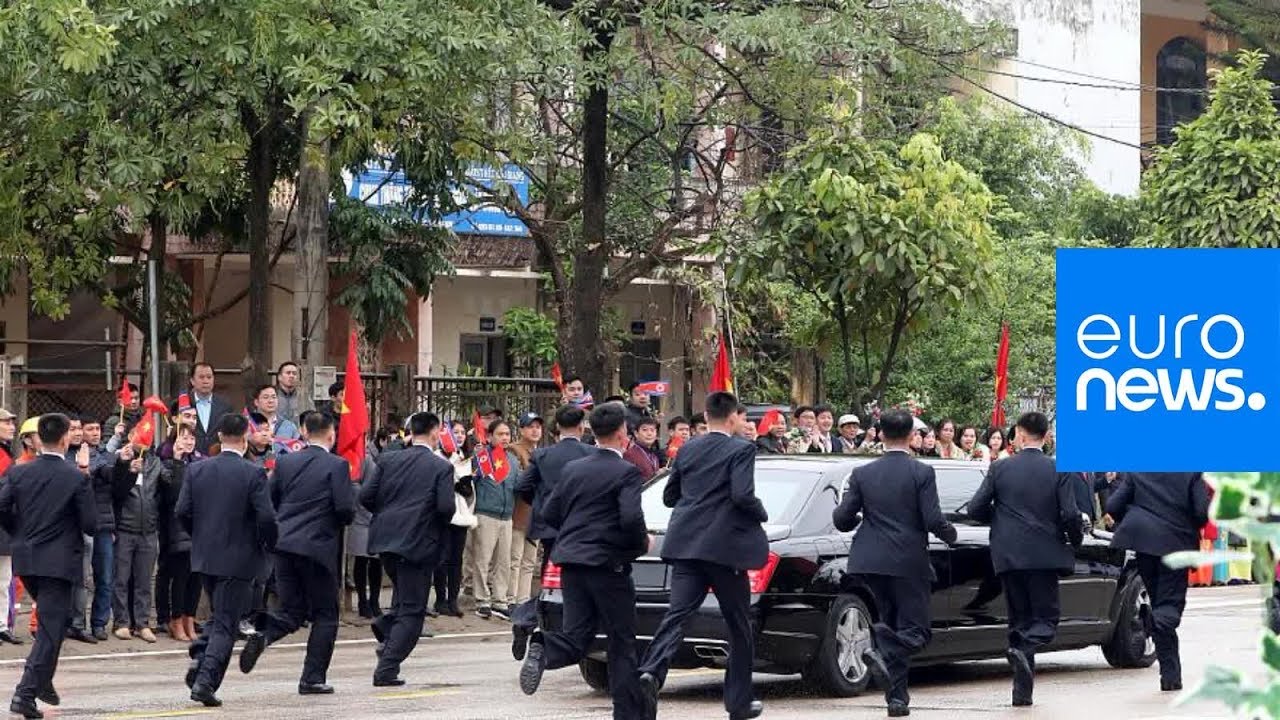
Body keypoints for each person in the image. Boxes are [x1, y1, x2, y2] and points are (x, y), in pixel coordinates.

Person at [638, 391, 768, 720]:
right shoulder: (742, 449)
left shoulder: (688, 447)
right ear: (733, 417)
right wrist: (760, 512)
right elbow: (742, 495)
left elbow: (670, 496)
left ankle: (651, 671)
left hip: (685, 544)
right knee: (739, 623)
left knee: (678, 614)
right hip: (724, 549)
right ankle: (739, 702)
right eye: (742, 416)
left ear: (707, 416)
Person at [518, 403, 649, 718]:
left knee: (577, 636)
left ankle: (544, 647)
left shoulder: (574, 469)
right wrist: (641, 543)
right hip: (607, 566)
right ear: (623, 434)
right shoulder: (626, 471)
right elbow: (630, 519)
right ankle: (627, 713)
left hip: (571, 563)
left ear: (593, 432)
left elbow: (549, 512)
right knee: (621, 641)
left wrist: (576, 533)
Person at [832, 409, 957, 718]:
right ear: (911, 436)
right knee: (916, 632)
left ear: (881, 435)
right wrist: (951, 534)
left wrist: (861, 518)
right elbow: (932, 519)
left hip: (869, 561)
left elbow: (841, 519)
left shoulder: (862, 473)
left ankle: (896, 699)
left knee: (889, 626)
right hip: (907, 561)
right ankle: (880, 649)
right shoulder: (922, 472)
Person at [966, 412, 1083, 706]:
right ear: (1046, 436)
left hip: (1008, 553)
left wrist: (1002, 520)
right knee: (1046, 620)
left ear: (1019, 433)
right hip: (1044, 555)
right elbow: (1070, 513)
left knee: (1018, 619)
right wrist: (1076, 540)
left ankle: (1021, 694)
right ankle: (1024, 652)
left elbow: (975, 509)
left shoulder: (1000, 469)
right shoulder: (1058, 469)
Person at [239, 412, 354, 695]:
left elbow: (271, 498)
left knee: (292, 610)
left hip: (286, 544)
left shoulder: (286, 461)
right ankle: (312, 677)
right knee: (326, 614)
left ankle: (263, 636)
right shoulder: (337, 465)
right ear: (331, 435)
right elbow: (344, 509)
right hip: (317, 548)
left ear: (304, 433)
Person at [177, 414, 277, 708]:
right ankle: (205, 682)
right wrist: (267, 544)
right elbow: (267, 517)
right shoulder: (253, 473)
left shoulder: (197, 470)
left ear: (219, 436)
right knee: (226, 623)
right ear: (245, 437)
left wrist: (200, 536)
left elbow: (182, 511)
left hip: (206, 554)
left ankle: (200, 659)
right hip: (240, 556)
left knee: (220, 615)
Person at [0, 413, 96, 719]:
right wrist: (85, 476)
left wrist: (18, 531)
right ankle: (25, 692)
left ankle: (43, 683)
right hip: (58, 561)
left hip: (27, 558)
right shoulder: (75, 477)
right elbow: (91, 524)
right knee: (51, 630)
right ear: (66, 437)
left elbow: (2, 507)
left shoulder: (19, 473)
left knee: (54, 622)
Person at [359, 412, 456, 686]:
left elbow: (366, 496)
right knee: (413, 611)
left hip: (386, 540)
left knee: (403, 601)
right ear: (435, 433)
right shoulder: (441, 467)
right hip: (418, 543)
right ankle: (387, 668)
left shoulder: (388, 459)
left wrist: (388, 516)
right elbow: (446, 507)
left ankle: (386, 629)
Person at [1106, 471, 1210, 692]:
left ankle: (1170, 676)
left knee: (1160, 605)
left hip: (1145, 544)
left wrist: (1137, 518)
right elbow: (1201, 512)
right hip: (1176, 543)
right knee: (1168, 608)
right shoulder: (1191, 471)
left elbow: (1114, 505)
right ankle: (1155, 621)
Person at [509, 405, 595, 659]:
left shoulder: (544, 455)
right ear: (581, 427)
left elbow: (522, 485)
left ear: (557, 428)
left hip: (550, 528)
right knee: (578, 584)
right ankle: (543, 628)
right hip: (581, 528)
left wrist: (542, 504)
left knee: (551, 583)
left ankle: (528, 620)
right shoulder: (590, 454)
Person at [109, 434, 171, 643]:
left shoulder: (156, 462)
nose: (143, 440)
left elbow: (168, 488)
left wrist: (176, 460)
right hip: (124, 528)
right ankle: (121, 622)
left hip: (149, 530)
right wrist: (127, 469)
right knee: (121, 579)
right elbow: (116, 492)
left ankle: (142, 623)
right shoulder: (122, 459)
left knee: (144, 580)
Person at [156, 425, 201, 643]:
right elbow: (172, 494)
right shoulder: (167, 465)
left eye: (192, 437)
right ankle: (175, 619)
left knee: (196, 578)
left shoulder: (200, 463)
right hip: (176, 528)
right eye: (184, 437)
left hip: (200, 527)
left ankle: (189, 618)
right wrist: (176, 460)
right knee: (180, 577)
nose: (189, 442)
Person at [470, 419, 520, 620]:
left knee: (504, 561)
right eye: (500, 434)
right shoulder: (481, 458)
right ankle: (482, 600)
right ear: (489, 436)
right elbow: (469, 482)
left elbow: (519, 485)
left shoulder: (513, 461)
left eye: (507, 434)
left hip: (507, 516)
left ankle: (500, 600)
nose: (505, 438)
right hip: (486, 514)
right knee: (483, 559)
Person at [508, 412, 543, 611]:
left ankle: (523, 599)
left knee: (529, 560)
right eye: (530, 426)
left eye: (538, 426)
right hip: (519, 511)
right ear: (521, 430)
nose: (535, 430)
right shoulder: (514, 450)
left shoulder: (542, 452)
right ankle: (512, 598)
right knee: (515, 558)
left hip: (535, 513)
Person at [189, 363, 233, 455]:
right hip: (190, 458)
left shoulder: (225, 406)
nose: (206, 381)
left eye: (209, 377)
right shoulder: (184, 404)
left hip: (217, 459)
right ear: (192, 381)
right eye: (201, 377)